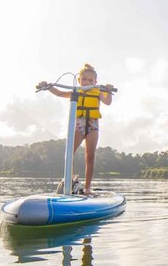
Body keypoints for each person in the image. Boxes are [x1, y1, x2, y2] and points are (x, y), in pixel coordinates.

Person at [38, 63, 114, 195]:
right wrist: (48, 86)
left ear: (95, 81)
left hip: (92, 127)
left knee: (89, 156)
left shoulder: (98, 92)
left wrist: (108, 91)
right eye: (84, 79)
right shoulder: (75, 91)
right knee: (69, 154)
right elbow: (59, 93)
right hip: (78, 126)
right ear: (79, 80)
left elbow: (107, 102)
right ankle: (69, 181)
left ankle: (87, 187)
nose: (87, 82)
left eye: (91, 80)